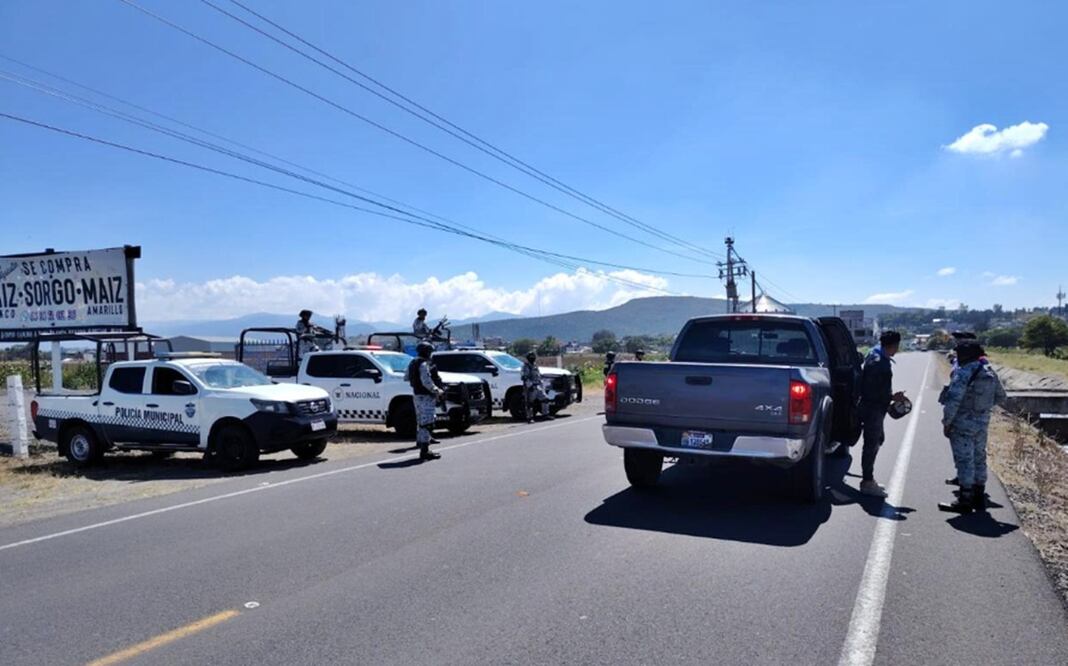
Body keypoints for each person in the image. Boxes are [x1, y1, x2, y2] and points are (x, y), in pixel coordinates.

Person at [938, 340, 1007, 513]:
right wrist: (981, 410)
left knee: (964, 460)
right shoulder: (989, 371)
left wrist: (947, 422)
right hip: (982, 422)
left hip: (963, 423)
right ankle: (979, 496)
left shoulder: (963, 373)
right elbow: (1001, 396)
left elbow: (953, 401)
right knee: (979, 457)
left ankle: (965, 500)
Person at [857, 330, 907, 497]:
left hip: (873, 406)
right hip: (873, 408)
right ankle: (867, 482)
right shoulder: (880, 363)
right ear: (894, 345)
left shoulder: (874, 353)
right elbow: (872, 391)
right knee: (871, 444)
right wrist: (893, 397)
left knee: (878, 439)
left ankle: (868, 479)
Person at [407, 342, 443, 460]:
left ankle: (421, 442)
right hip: (426, 395)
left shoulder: (413, 363)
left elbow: (406, 377)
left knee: (421, 420)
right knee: (427, 422)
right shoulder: (423, 364)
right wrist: (437, 390)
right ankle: (425, 450)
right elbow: (426, 381)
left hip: (417, 395)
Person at [521, 351, 552, 423]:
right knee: (530, 403)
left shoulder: (535, 365)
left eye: (533, 357)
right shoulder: (526, 366)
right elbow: (525, 377)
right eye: (531, 357)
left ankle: (545, 414)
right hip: (531, 387)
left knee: (545, 399)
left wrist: (542, 384)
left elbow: (538, 376)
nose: (532, 358)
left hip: (538, 386)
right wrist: (529, 385)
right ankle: (530, 418)